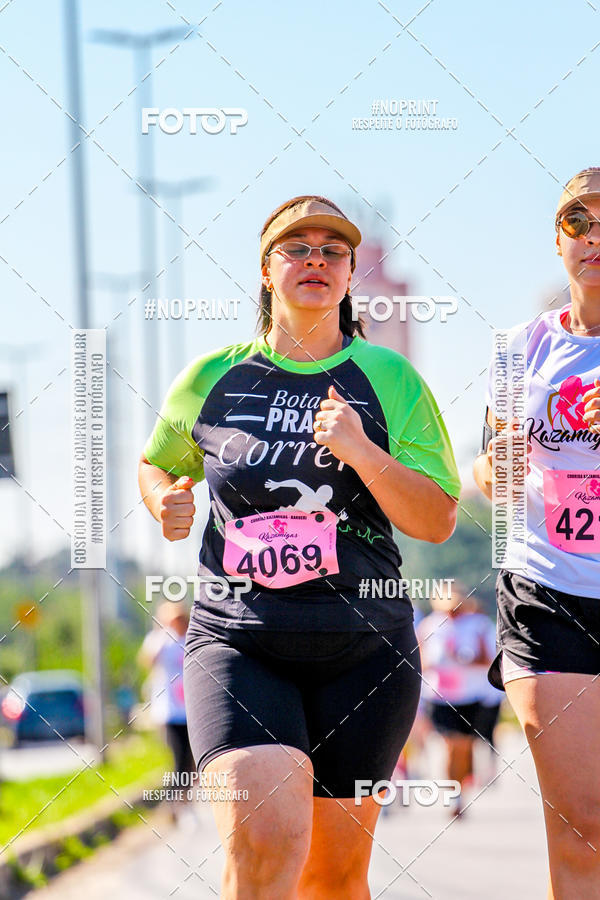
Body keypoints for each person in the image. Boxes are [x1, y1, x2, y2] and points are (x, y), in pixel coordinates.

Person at [138, 195, 461, 899]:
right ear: (266, 270)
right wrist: (164, 499)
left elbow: (437, 520)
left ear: (348, 274)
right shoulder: (211, 377)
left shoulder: (390, 379)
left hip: (364, 651)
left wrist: (363, 451)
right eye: (297, 248)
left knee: (334, 880)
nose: (316, 260)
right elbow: (157, 461)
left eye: (332, 251)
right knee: (266, 846)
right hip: (240, 641)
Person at [473, 168, 600, 897]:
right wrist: (502, 463)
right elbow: (489, 472)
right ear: (558, 241)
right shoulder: (519, 348)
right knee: (582, 822)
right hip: (547, 592)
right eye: (579, 223)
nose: (594, 238)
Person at [417, 583, 494, 817]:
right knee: (451, 745)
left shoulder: (479, 625)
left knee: (465, 747)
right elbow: (420, 660)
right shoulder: (430, 625)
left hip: (471, 696)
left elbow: (489, 661)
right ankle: (454, 799)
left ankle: (460, 791)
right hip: (440, 697)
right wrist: (435, 662)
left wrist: (463, 660)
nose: (452, 612)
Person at [137, 601, 195, 820]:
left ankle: (183, 801)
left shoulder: (191, 637)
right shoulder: (160, 640)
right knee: (178, 758)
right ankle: (173, 804)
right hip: (169, 712)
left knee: (190, 760)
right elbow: (147, 660)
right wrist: (163, 634)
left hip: (191, 710)